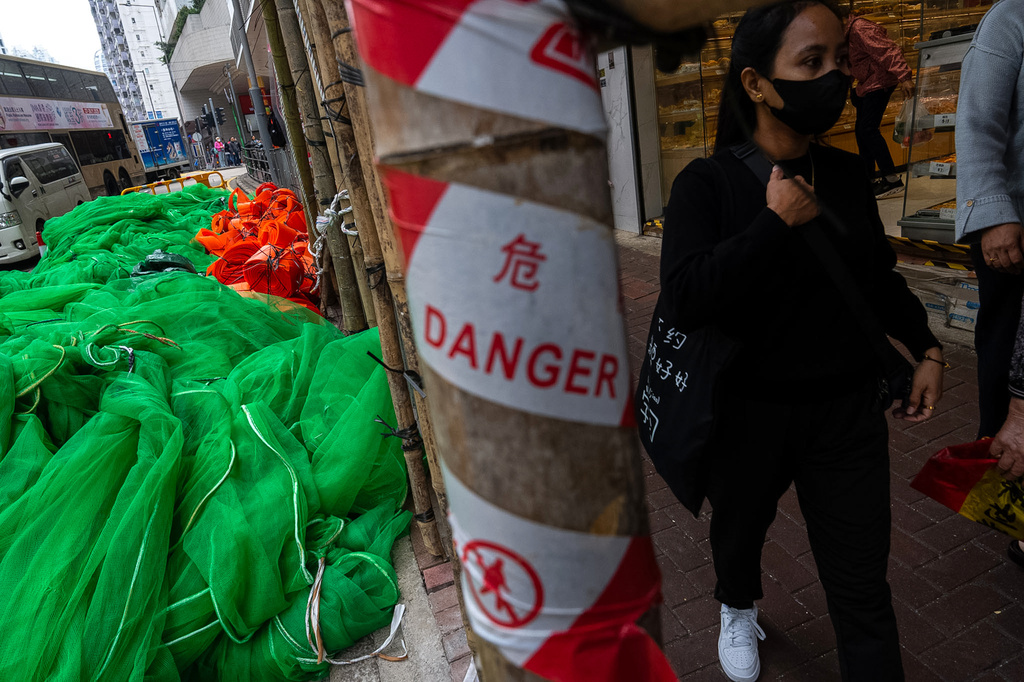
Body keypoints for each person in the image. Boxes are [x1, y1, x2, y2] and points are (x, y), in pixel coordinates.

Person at [659, 2, 944, 680]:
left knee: (862, 588)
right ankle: (736, 604)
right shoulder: (708, 184)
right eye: (811, 63)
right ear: (757, 82)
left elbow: (876, 281)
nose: (835, 79)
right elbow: (686, 296)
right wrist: (771, 225)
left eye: (839, 62)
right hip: (747, 413)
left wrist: (927, 348)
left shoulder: (844, 174)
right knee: (741, 527)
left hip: (846, 415)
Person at [954, 0, 1024, 569]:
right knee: (1005, 357)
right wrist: (994, 213)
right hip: (1015, 235)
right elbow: (977, 121)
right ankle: (1007, 493)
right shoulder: (1011, 16)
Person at [843, 0, 914, 198]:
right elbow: (852, 62)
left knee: (867, 129)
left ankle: (891, 179)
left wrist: (904, 77)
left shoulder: (859, 28)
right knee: (861, 131)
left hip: (880, 81)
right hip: (866, 85)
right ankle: (869, 181)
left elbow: (887, 50)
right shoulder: (844, 34)